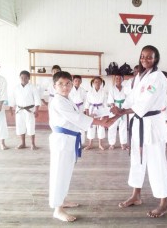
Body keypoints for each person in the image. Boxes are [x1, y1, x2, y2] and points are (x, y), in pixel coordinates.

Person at [110, 45, 167, 218]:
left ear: (156, 59)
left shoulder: (158, 77)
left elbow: (145, 103)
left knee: (156, 162)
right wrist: (119, 109)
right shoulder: (138, 76)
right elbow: (131, 99)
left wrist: (123, 112)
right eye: (143, 56)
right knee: (136, 159)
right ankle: (136, 195)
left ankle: (164, 203)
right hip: (138, 123)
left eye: (149, 57)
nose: (145, 59)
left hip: (152, 123)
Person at [49, 71, 110, 222]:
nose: (65, 87)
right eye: (61, 84)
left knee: (66, 172)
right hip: (62, 141)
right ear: (54, 86)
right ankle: (57, 209)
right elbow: (77, 118)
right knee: (59, 173)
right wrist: (100, 122)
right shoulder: (58, 101)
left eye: (68, 83)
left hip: (69, 139)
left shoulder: (66, 99)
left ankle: (62, 200)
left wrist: (99, 116)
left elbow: (80, 116)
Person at [9, 70, 41, 150]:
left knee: (30, 126)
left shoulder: (33, 87)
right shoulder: (16, 88)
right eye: (22, 77)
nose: (23, 79)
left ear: (28, 78)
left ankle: (33, 144)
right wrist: (10, 108)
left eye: (25, 77)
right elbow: (12, 99)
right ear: (19, 78)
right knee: (20, 126)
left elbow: (37, 99)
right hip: (19, 110)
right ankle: (23, 143)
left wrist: (37, 110)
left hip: (30, 110)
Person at [84, 76, 107, 150]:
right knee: (91, 126)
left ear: (101, 83)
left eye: (99, 82)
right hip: (92, 110)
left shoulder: (103, 92)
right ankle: (90, 144)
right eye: (96, 82)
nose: (97, 83)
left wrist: (105, 114)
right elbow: (87, 104)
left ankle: (100, 144)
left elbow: (105, 104)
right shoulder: (89, 92)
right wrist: (87, 115)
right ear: (93, 83)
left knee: (101, 126)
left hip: (100, 109)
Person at [107, 73, 127, 150]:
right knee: (112, 126)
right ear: (115, 80)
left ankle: (123, 143)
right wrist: (115, 108)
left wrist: (123, 109)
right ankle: (112, 144)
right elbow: (110, 101)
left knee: (123, 126)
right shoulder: (112, 89)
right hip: (114, 108)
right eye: (117, 78)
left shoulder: (125, 88)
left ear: (122, 79)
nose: (118, 80)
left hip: (123, 108)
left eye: (120, 78)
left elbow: (128, 99)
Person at [69, 75, 87, 144]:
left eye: (79, 81)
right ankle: (72, 142)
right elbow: (68, 100)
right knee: (72, 124)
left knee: (81, 124)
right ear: (72, 82)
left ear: (81, 82)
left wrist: (85, 109)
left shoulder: (83, 90)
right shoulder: (70, 90)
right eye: (75, 81)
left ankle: (81, 142)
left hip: (81, 108)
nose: (77, 82)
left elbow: (85, 100)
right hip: (72, 108)